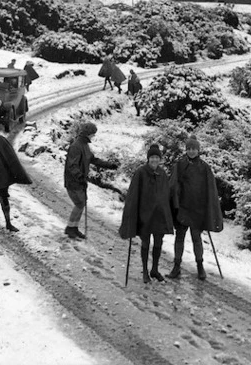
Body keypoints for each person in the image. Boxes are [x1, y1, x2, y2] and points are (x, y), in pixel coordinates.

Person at [168, 135, 223, 280]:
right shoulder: (179, 164)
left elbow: (210, 189)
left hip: (197, 209)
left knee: (196, 238)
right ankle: (176, 266)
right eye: (189, 149)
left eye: (194, 149)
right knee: (179, 238)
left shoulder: (204, 167)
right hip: (182, 208)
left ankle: (200, 266)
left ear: (198, 150)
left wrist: (207, 207)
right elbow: (172, 184)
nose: (191, 151)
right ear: (186, 150)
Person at [119, 144, 173, 283]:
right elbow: (133, 194)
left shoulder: (162, 174)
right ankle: (145, 271)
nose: (154, 160)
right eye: (152, 157)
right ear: (148, 158)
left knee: (158, 242)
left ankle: (154, 270)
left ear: (160, 159)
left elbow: (166, 194)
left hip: (159, 215)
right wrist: (132, 212)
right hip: (145, 214)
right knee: (145, 242)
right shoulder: (141, 172)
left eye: (157, 157)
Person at [63, 121, 117, 239]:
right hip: (73, 181)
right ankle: (70, 228)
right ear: (88, 133)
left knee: (81, 203)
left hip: (80, 181)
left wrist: (109, 165)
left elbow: (93, 159)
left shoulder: (84, 145)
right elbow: (72, 165)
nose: (94, 136)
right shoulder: (76, 146)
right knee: (80, 203)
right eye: (93, 133)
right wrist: (80, 177)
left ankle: (73, 227)